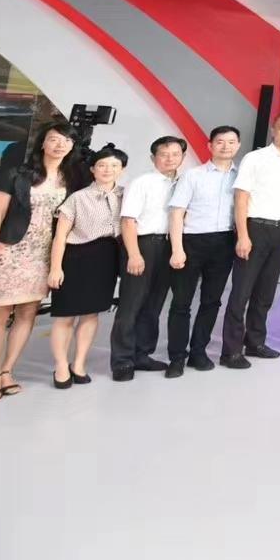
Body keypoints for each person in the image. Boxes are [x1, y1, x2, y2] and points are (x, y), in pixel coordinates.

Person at [0, 123, 89, 399]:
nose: (60, 145)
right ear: (42, 143)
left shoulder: (72, 178)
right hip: (11, 250)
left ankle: (7, 371)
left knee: (28, 312)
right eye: (54, 139)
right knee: (0, 313)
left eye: (66, 141)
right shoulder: (16, 173)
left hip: (44, 254)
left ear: (72, 146)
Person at [220, 112, 280, 369]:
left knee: (265, 292)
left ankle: (255, 342)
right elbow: (241, 198)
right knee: (241, 292)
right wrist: (243, 235)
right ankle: (231, 352)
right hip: (255, 229)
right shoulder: (255, 158)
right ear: (273, 130)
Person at [48, 146, 127, 387]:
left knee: (91, 314)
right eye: (102, 165)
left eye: (114, 165)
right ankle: (61, 365)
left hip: (106, 258)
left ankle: (79, 363)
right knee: (65, 315)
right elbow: (60, 236)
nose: (108, 170)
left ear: (122, 170)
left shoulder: (126, 195)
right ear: (92, 169)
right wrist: (55, 268)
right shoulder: (78, 198)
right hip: (76, 257)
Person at [166, 125, 241, 378]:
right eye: (220, 142)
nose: (226, 146)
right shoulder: (193, 175)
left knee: (211, 301)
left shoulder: (241, 177)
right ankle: (177, 357)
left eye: (231, 142)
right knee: (181, 303)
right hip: (192, 242)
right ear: (210, 145)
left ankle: (198, 351)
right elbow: (176, 213)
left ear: (238, 146)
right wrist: (177, 249)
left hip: (224, 242)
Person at [110, 135, 185, 381]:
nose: (170, 159)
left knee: (154, 304)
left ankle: (142, 354)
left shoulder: (184, 183)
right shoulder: (142, 182)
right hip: (143, 244)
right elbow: (128, 220)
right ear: (153, 158)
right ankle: (122, 361)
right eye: (164, 154)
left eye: (175, 154)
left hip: (169, 245)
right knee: (131, 304)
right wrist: (134, 254)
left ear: (182, 157)